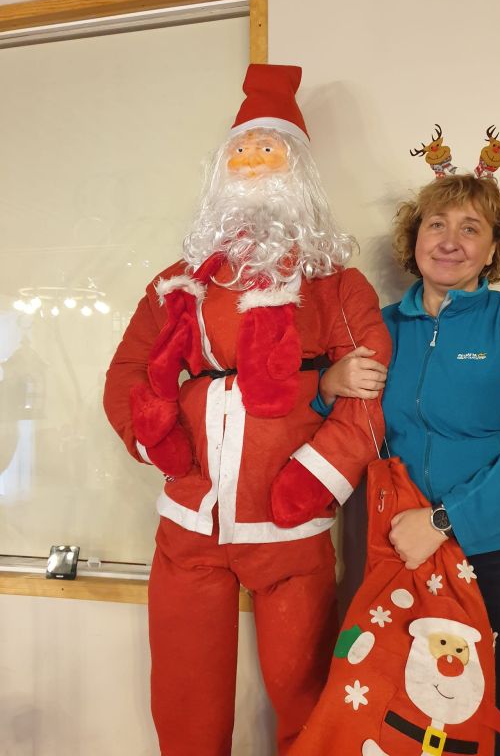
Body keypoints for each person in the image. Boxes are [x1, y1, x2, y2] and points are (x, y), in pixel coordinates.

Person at [103, 63, 391, 756]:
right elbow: (127, 372)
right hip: (190, 523)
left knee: (304, 692)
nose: (254, 163)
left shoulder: (336, 286)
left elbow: (369, 396)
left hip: (290, 527)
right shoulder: (178, 285)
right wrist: (159, 443)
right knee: (186, 691)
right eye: (242, 150)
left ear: (299, 173)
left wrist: (313, 480)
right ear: (221, 171)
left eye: (270, 150)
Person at [315, 173, 500, 755]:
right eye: (437, 224)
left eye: (470, 228)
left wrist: (443, 521)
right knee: (408, 715)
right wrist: (328, 384)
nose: (450, 241)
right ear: (415, 239)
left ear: (493, 247)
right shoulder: (380, 327)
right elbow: (330, 421)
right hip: (406, 552)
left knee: (498, 721)